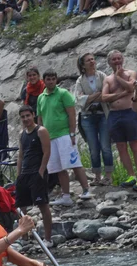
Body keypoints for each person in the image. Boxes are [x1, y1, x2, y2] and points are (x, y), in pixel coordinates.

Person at [37, 69, 92, 206]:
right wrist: (40, 135)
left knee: (74, 163)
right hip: (49, 137)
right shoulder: (40, 97)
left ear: (56, 80)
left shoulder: (63, 93)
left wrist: (72, 133)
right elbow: (40, 118)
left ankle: (86, 189)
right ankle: (66, 195)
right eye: (48, 79)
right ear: (44, 80)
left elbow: (72, 115)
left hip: (64, 135)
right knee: (58, 167)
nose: (50, 81)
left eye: (53, 79)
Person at [103, 50, 137, 191]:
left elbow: (131, 87)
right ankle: (131, 175)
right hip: (114, 115)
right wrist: (121, 93)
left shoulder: (130, 73)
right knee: (121, 146)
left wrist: (119, 77)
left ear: (123, 59)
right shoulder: (107, 79)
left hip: (129, 112)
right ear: (109, 62)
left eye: (119, 58)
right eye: (114, 59)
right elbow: (104, 97)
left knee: (135, 144)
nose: (117, 61)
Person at [16, 105, 54, 247]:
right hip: (24, 174)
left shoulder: (41, 131)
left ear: (33, 115)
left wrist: (41, 171)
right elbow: (20, 155)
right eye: (23, 117)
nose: (26, 119)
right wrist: (19, 174)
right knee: (21, 207)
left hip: (37, 173)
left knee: (42, 205)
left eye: (28, 115)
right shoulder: (22, 134)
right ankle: (24, 237)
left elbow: (47, 152)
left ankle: (48, 239)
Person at [74, 53, 112, 186]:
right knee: (93, 148)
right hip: (87, 116)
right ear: (83, 65)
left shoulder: (102, 76)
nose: (92, 62)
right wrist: (97, 95)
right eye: (88, 60)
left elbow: (106, 95)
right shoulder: (80, 80)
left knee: (105, 146)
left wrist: (88, 97)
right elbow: (78, 100)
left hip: (103, 114)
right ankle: (97, 176)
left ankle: (108, 176)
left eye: (92, 59)